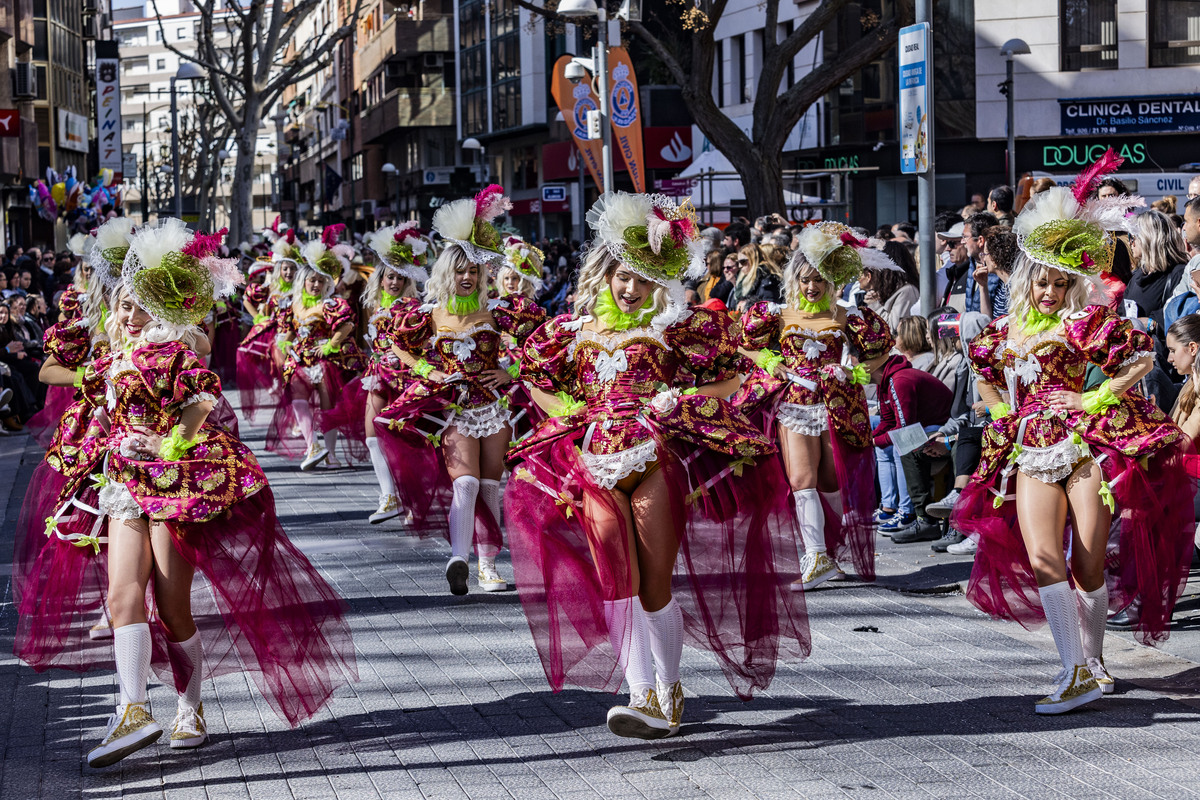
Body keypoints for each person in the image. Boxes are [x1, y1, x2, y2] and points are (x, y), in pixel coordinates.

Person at [12, 219, 356, 767]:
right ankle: (133, 711)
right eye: (122, 306)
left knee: (173, 609)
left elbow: (202, 397)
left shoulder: (173, 350)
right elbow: (77, 390)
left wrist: (171, 440)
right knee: (123, 595)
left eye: (139, 306)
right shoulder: (109, 360)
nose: (129, 316)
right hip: (125, 486)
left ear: (158, 307)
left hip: (176, 487)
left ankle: (189, 707)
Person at [505, 191, 809, 739]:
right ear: (604, 273)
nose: (630, 288)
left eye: (643, 281)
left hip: (655, 454)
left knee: (654, 586)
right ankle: (640, 694)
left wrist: (680, 401)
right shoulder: (573, 332)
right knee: (614, 579)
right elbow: (533, 376)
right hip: (596, 458)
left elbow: (735, 376)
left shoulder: (676, 325)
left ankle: (669, 686)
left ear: (661, 283)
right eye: (623, 276)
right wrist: (569, 411)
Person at [952, 152, 1194, 714]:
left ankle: (1094, 659)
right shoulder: (999, 333)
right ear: (1029, 279)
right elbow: (983, 379)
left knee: (1087, 563)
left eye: (1061, 284)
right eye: (1044, 283)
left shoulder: (1081, 322)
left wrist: (1091, 396)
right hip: (1031, 448)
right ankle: (1074, 670)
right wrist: (1000, 415)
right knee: (1043, 559)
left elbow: (1139, 358)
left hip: (1083, 444)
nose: (1051, 292)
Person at [373, 186, 544, 594]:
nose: (467, 278)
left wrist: (512, 372)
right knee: (464, 484)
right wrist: (426, 372)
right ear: (447, 273)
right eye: (460, 271)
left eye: (474, 271)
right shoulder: (429, 314)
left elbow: (538, 346)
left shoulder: (499, 310)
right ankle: (458, 559)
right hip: (453, 408)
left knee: (489, 485)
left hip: (496, 407)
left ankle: (488, 566)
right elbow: (399, 344)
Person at [735, 222, 896, 589]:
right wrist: (770, 362)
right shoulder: (778, 314)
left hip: (835, 404)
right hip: (794, 404)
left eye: (819, 280)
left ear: (830, 281)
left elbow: (881, 350)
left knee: (830, 482)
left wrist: (857, 373)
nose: (812, 287)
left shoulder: (845, 315)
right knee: (801, 481)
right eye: (805, 279)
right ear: (795, 278)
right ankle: (814, 556)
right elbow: (744, 344)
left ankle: (830, 555)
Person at [268, 225, 367, 470]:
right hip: (300, 358)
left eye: (320, 282)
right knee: (297, 397)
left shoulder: (330, 303)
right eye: (311, 280)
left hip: (324, 361)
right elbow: (290, 327)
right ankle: (314, 446)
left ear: (326, 284)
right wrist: (286, 340)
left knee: (328, 406)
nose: (315, 285)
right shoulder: (295, 304)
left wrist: (331, 345)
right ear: (303, 282)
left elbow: (346, 325)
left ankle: (331, 454)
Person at [353, 223, 430, 524]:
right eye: (389, 276)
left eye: (400, 277)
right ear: (381, 279)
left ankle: (411, 498)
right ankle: (389, 497)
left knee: (403, 440)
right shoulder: (374, 307)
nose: (394, 282)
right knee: (372, 437)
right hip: (377, 375)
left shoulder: (412, 307)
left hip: (405, 379)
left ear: (407, 280)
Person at [236, 231, 300, 422]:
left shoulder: (302, 288)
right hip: (279, 339)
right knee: (285, 379)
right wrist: (258, 319)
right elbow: (248, 298)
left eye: (292, 269)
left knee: (297, 380)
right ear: (279, 269)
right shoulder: (272, 288)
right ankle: (291, 416)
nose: (288, 273)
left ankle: (296, 415)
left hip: (300, 339)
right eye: (285, 268)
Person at [1126, 209, 1189, 371]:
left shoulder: (1178, 274)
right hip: (1133, 362)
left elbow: (1184, 320)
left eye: (1133, 237)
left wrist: (1152, 324)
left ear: (1148, 239)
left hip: (1163, 366)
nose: (1131, 243)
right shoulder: (1137, 275)